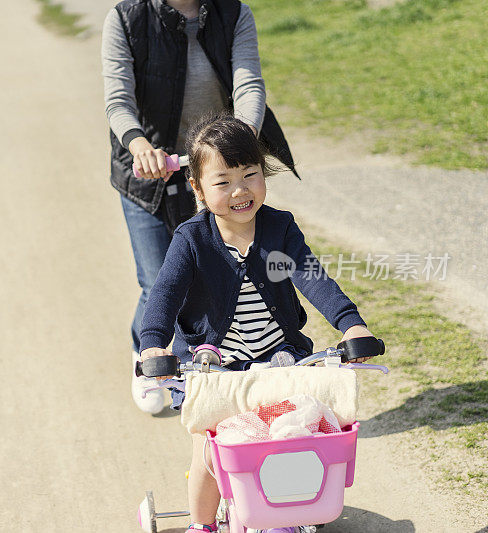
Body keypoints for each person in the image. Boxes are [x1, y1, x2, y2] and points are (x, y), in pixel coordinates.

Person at [138, 115, 374, 532]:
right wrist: (154, 343)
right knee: (209, 452)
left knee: (292, 436)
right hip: (215, 365)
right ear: (197, 187)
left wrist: (350, 325)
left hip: (279, 356)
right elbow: (164, 295)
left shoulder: (279, 228)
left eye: (250, 175)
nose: (240, 191)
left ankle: (291, 508)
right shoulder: (191, 239)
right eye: (223, 181)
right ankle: (202, 524)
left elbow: (311, 276)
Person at [101, 0, 299, 414]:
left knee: (219, 269)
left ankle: (208, 357)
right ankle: (148, 355)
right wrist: (139, 145)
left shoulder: (233, 13)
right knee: (159, 279)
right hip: (147, 169)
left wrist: (240, 142)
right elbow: (119, 100)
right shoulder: (127, 19)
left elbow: (249, 85)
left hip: (218, 171)